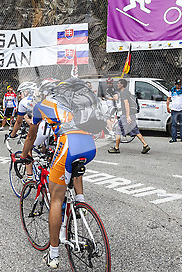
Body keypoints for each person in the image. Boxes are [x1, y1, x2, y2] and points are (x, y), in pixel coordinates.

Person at [20, 87, 96, 269]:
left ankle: (53, 255)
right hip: (89, 144)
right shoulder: (70, 103)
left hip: (68, 143)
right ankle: (80, 202)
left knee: (56, 198)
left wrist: (24, 156)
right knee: (72, 168)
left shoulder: (40, 105)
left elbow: (32, 136)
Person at [108, 79, 150, 154]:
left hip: (126, 115)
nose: (117, 84)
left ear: (122, 85)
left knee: (118, 130)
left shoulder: (124, 93)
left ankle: (116, 148)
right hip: (131, 114)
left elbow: (126, 104)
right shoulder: (126, 92)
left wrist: (127, 116)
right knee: (135, 130)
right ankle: (145, 145)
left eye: (118, 83)